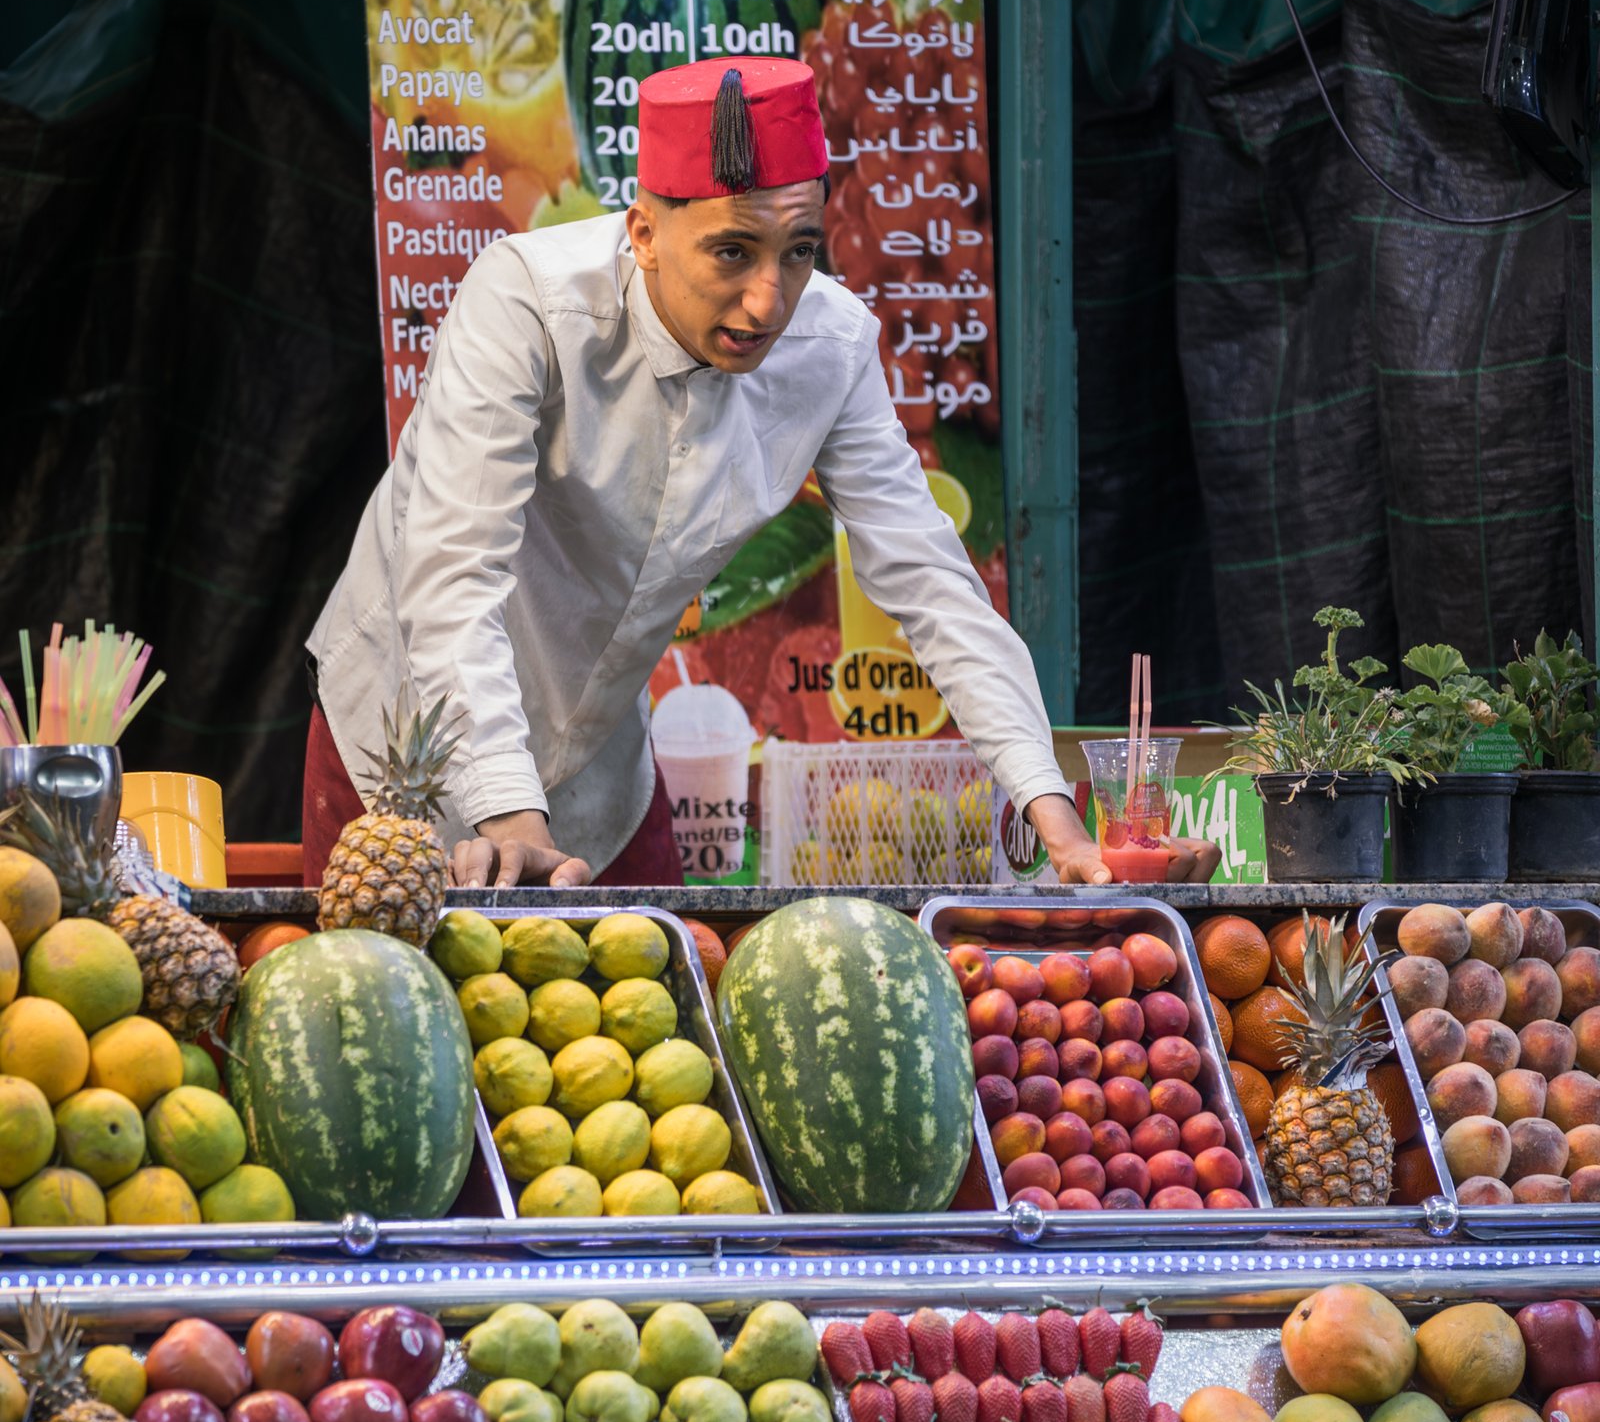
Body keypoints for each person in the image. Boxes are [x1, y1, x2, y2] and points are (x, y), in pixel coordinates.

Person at [305, 55, 1220, 889]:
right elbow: (455, 575)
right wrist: (510, 816)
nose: (769, 300)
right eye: (733, 251)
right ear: (643, 233)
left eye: (800, 251)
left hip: (597, 765)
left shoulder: (831, 346)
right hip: (402, 742)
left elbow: (934, 586)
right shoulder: (526, 302)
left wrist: (1053, 817)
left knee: (668, 1009)